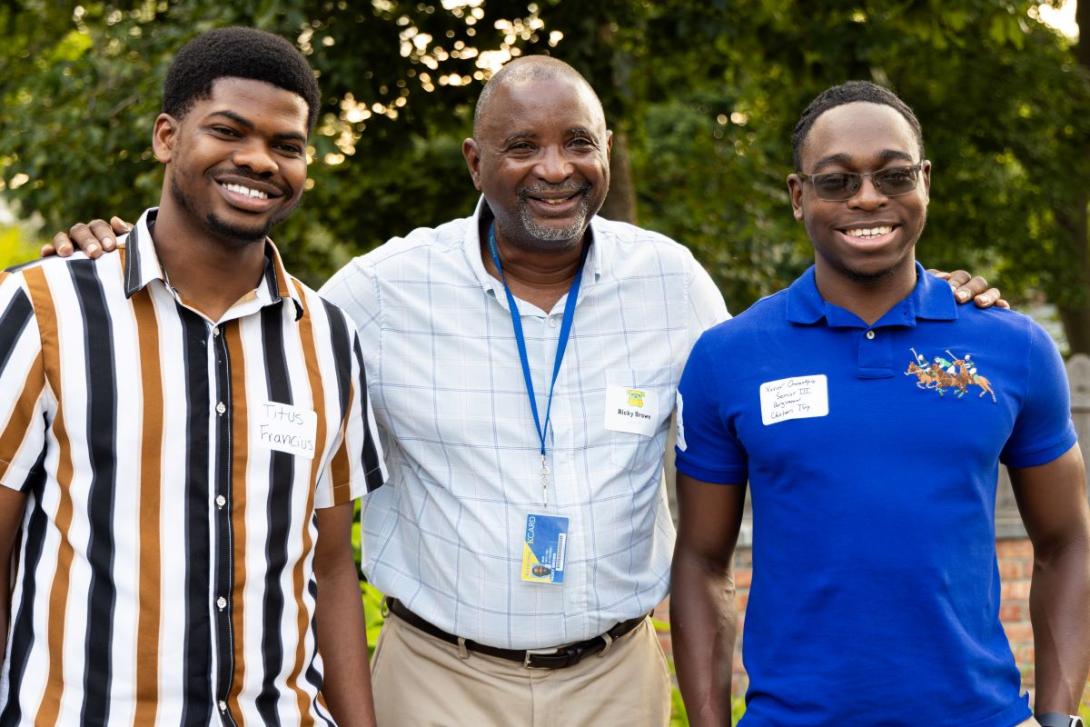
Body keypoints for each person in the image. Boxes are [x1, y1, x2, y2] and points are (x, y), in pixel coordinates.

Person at [52, 59, 1002, 726]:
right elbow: (237, 326)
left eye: (577, 143)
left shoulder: (674, 284)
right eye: (521, 147)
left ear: (605, 150)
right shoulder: (376, 293)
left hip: (617, 678)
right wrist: (113, 255)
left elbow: (802, 353)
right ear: (476, 164)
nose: (554, 169)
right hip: (434, 678)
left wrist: (945, 300)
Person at [670, 81, 1090, 727]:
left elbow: (1067, 543)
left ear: (925, 181)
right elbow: (701, 562)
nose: (868, 197)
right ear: (797, 194)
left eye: (893, 174)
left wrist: (1059, 718)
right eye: (837, 181)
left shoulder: (1014, 349)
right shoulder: (729, 358)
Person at [0, 28, 386, 725]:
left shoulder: (328, 335)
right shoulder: (43, 308)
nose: (258, 160)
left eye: (287, 145)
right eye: (228, 130)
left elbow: (331, 569)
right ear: (166, 136)